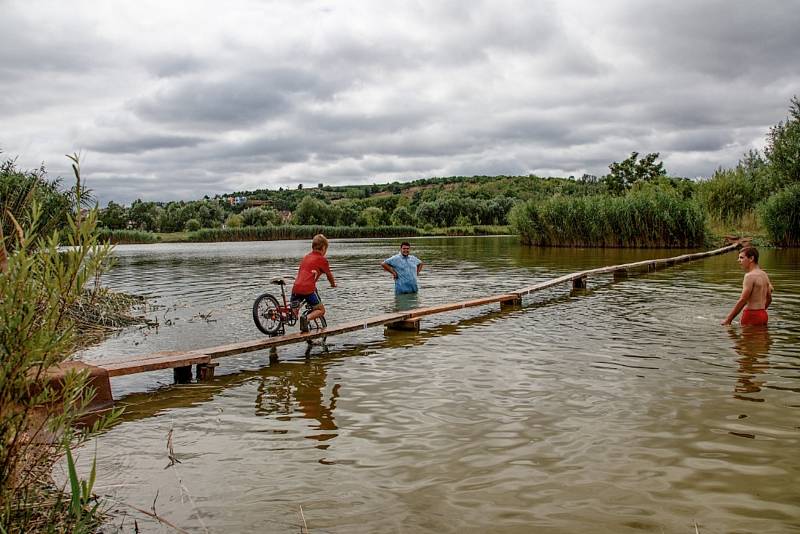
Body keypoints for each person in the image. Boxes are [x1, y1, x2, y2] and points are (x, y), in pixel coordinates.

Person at [291, 234, 336, 332]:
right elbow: (329, 275)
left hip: (295, 288)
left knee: (293, 314)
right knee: (321, 310)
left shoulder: (306, 257)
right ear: (324, 248)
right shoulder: (322, 260)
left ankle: (279, 318)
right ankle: (306, 318)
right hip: (308, 290)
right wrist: (333, 284)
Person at [721, 246, 773, 326]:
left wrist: (728, 320)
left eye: (741, 258)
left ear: (751, 258)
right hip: (763, 315)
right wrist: (761, 312)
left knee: (746, 338)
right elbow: (769, 298)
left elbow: (743, 300)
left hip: (751, 315)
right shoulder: (764, 274)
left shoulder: (749, 276)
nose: (739, 260)